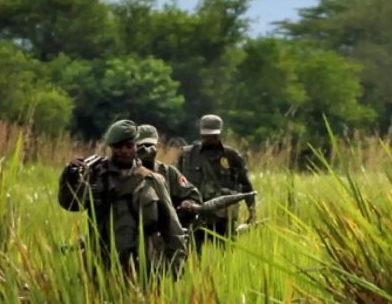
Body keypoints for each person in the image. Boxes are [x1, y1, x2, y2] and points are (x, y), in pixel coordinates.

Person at [58, 119, 186, 278]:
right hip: (101, 265)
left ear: (135, 146)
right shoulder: (96, 175)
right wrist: (69, 178)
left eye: (129, 146)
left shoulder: (153, 180)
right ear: (111, 147)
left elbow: (172, 228)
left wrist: (176, 268)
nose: (124, 151)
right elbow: (71, 205)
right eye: (118, 146)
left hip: (143, 266)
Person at [176, 114, 256, 247]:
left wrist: (252, 212)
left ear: (219, 133)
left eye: (213, 135)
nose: (210, 138)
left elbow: (246, 185)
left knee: (225, 256)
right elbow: (175, 183)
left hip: (223, 219)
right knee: (192, 256)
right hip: (194, 216)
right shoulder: (187, 156)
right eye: (206, 135)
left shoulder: (231, 156)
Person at [135, 124, 202, 226]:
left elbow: (192, 193)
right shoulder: (127, 171)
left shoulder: (168, 172)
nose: (147, 150)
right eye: (142, 146)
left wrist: (189, 202)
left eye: (150, 145)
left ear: (157, 146)